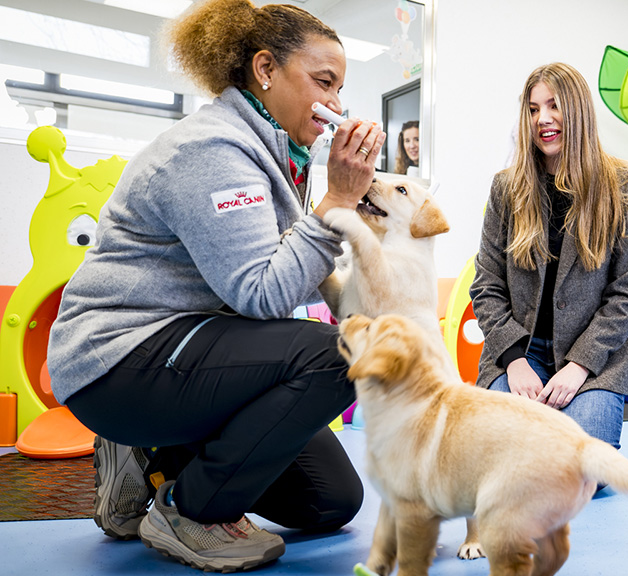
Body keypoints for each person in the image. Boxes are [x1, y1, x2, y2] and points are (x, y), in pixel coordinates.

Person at [46, 0, 384, 571]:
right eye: (323, 82)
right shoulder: (212, 150)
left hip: (187, 348)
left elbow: (289, 267)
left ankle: (156, 462)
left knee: (329, 500)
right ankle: (188, 511)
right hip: (118, 360)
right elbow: (263, 295)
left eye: (340, 89)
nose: (336, 104)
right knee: (344, 352)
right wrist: (338, 203)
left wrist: (366, 285)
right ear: (265, 69)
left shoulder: (275, 152)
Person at [470, 62, 628, 453]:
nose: (543, 119)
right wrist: (514, 361)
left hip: (594, 359)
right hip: (520, 351)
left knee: (585, 467)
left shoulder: (626, 185)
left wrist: (580, 366)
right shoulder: (506, 188)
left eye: (554, 106)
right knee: (497, 455)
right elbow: (486, 285)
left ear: (579, 111)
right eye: (533, 109)